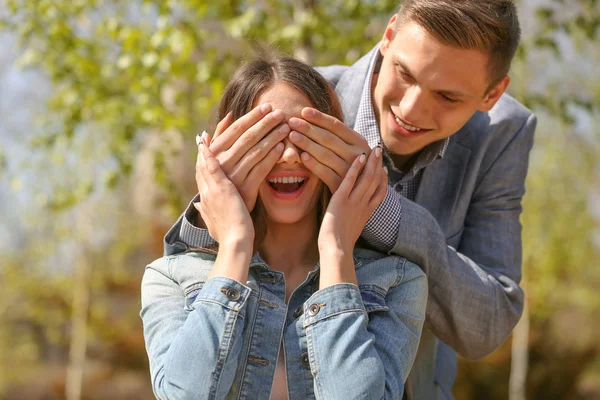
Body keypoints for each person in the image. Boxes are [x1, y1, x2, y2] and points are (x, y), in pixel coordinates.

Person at [163, 1, 537, 398]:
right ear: (388, 36)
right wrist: (218, 199)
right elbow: (192, 266)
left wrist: (387, 215)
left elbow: (489, 323)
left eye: (447, 97)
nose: (411, 109)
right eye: (404, 74)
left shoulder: (501, 134)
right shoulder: (295, 99)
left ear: (492, 93)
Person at [141, 56, 427, 400]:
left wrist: (336, 248)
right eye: (266, 138)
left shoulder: (398, 281)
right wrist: (235, 244)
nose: (290, 155)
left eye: (305, 137)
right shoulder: (169, 277)